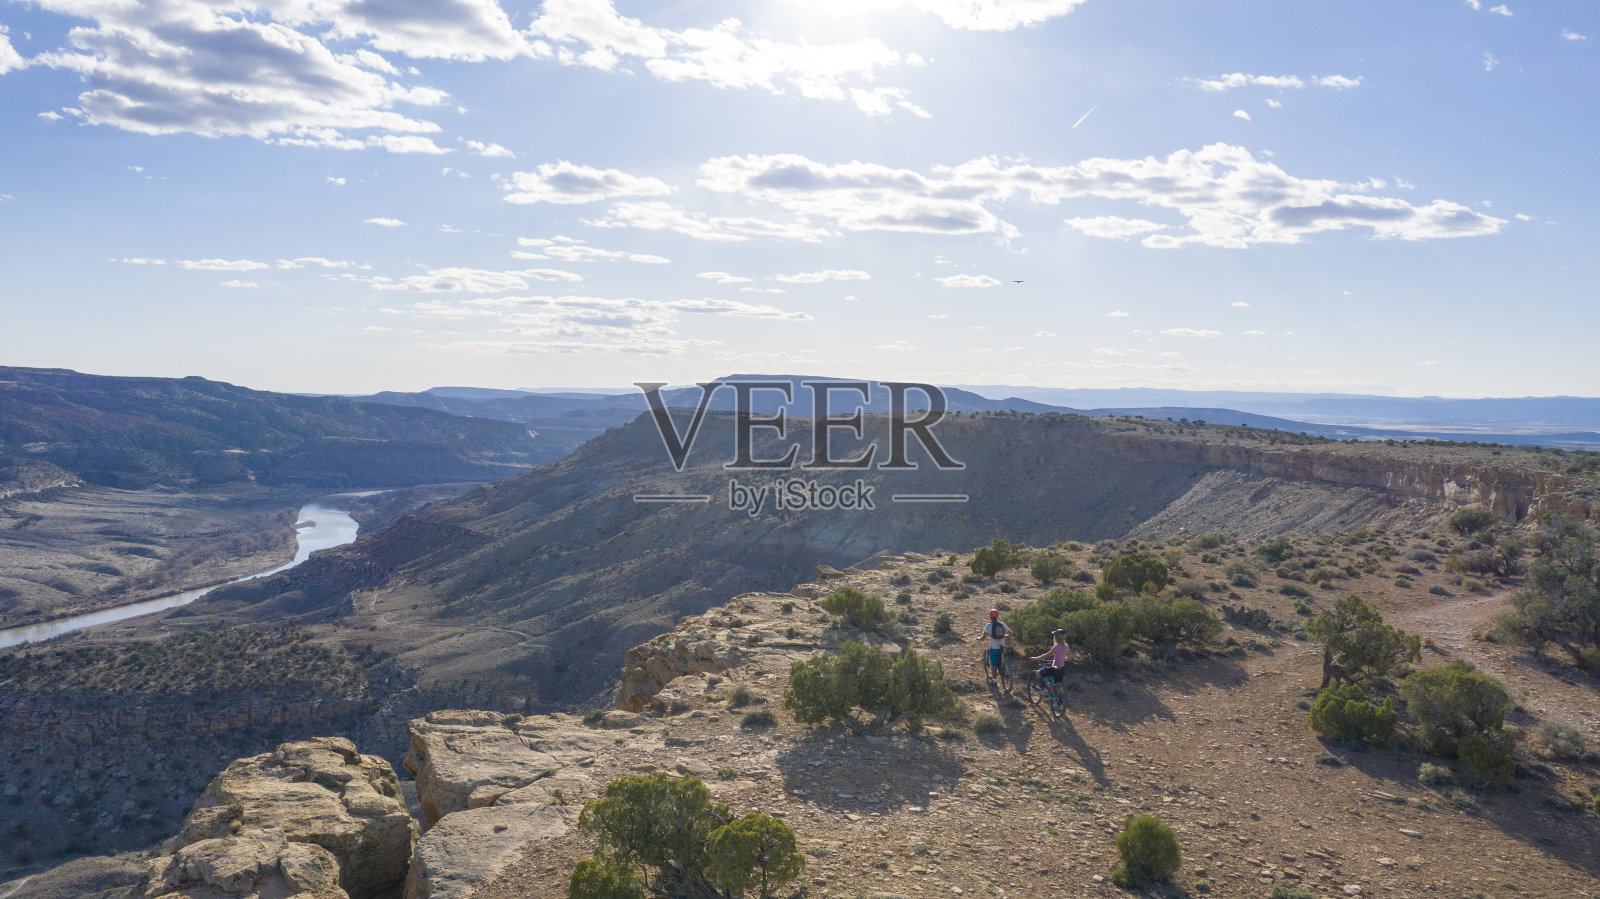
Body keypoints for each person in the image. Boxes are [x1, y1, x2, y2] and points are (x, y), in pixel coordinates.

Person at [1032, 628, 1071, 697]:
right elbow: (1068, 659)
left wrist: (1035, 658)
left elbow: (1045, 656)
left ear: (1056, 637)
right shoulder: (1067, 646)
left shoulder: (1056, 647)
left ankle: (1044, 689)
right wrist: (1062, 659)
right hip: (1061, 669)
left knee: (1038, 672)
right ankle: (1062, 699)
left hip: (1055, 669)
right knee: (1058, 683)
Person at [982, 609, 1011, 686]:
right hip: (1002, 646)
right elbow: (1011, 634)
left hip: (993, 647)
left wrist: (978, 638)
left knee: (993, 664)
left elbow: (983, 637)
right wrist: (1004, 636)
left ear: (990, 616)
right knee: (1000, 658)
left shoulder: (988, 625)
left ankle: (994, 680)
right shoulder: (1002, 624)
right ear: (997, 616)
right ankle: (1003, 668)